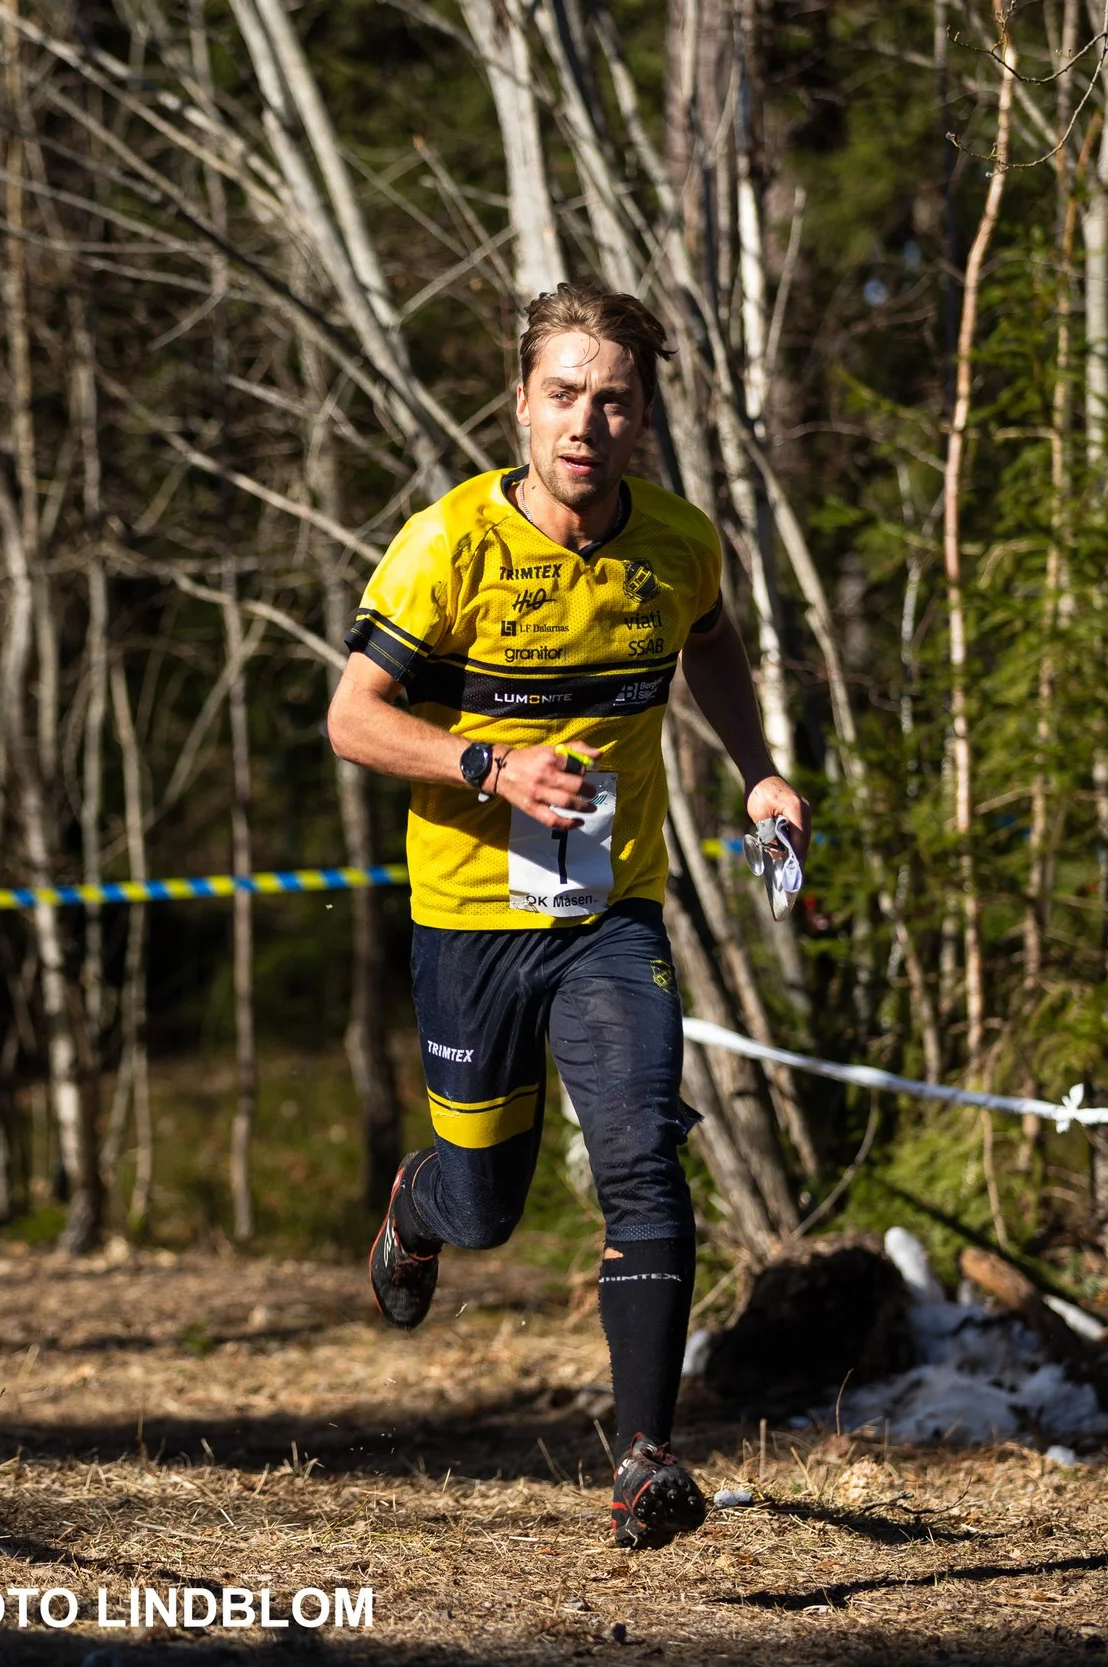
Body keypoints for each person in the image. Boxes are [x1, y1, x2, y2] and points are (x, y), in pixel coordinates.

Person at [326, 284, 809, 1551]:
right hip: (472, 918)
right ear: (521, 404)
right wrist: (488, 766)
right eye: (562, 394)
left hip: (609, 909)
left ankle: (646, 1455)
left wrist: (754, 766)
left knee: (645, 1150)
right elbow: (352, 718)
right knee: (487, 1204)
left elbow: (708, 644)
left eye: (613, 399)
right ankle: (418, 1208)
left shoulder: (677, 540)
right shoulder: (446, 547)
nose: (586, 423)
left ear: (642, 419)